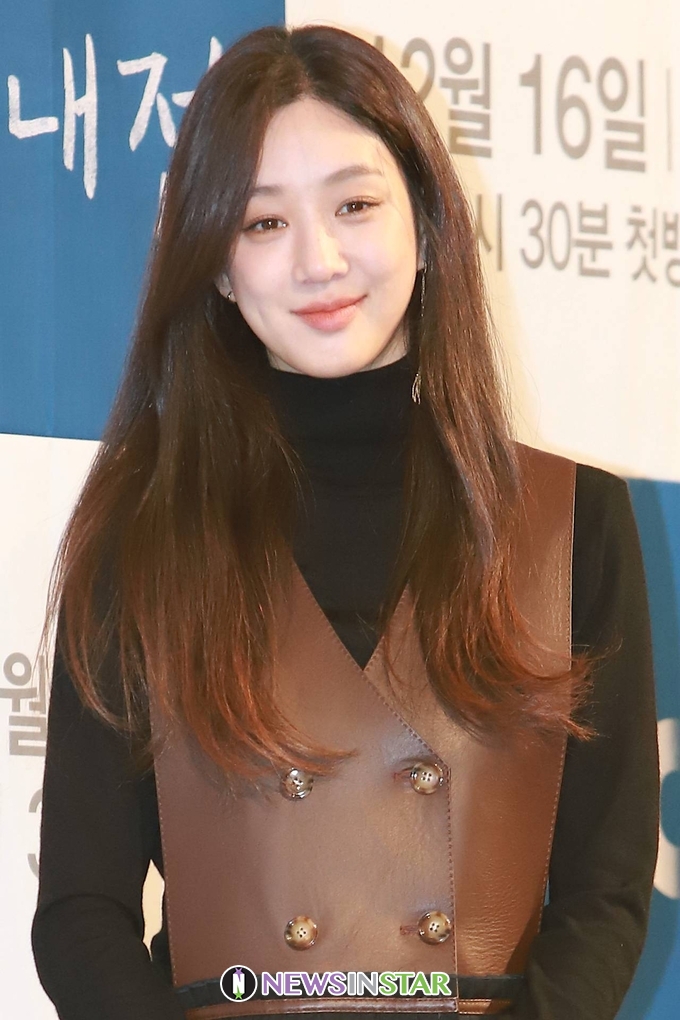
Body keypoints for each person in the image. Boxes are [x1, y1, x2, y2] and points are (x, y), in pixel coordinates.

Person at [31, 23, 659, 1020]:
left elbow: (606, 893)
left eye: (354, 205)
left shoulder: (568, 522)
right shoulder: (140, 539)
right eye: (262, 223)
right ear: (217, 266)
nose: (318, 260)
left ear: (427, 222)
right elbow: (80, 913)